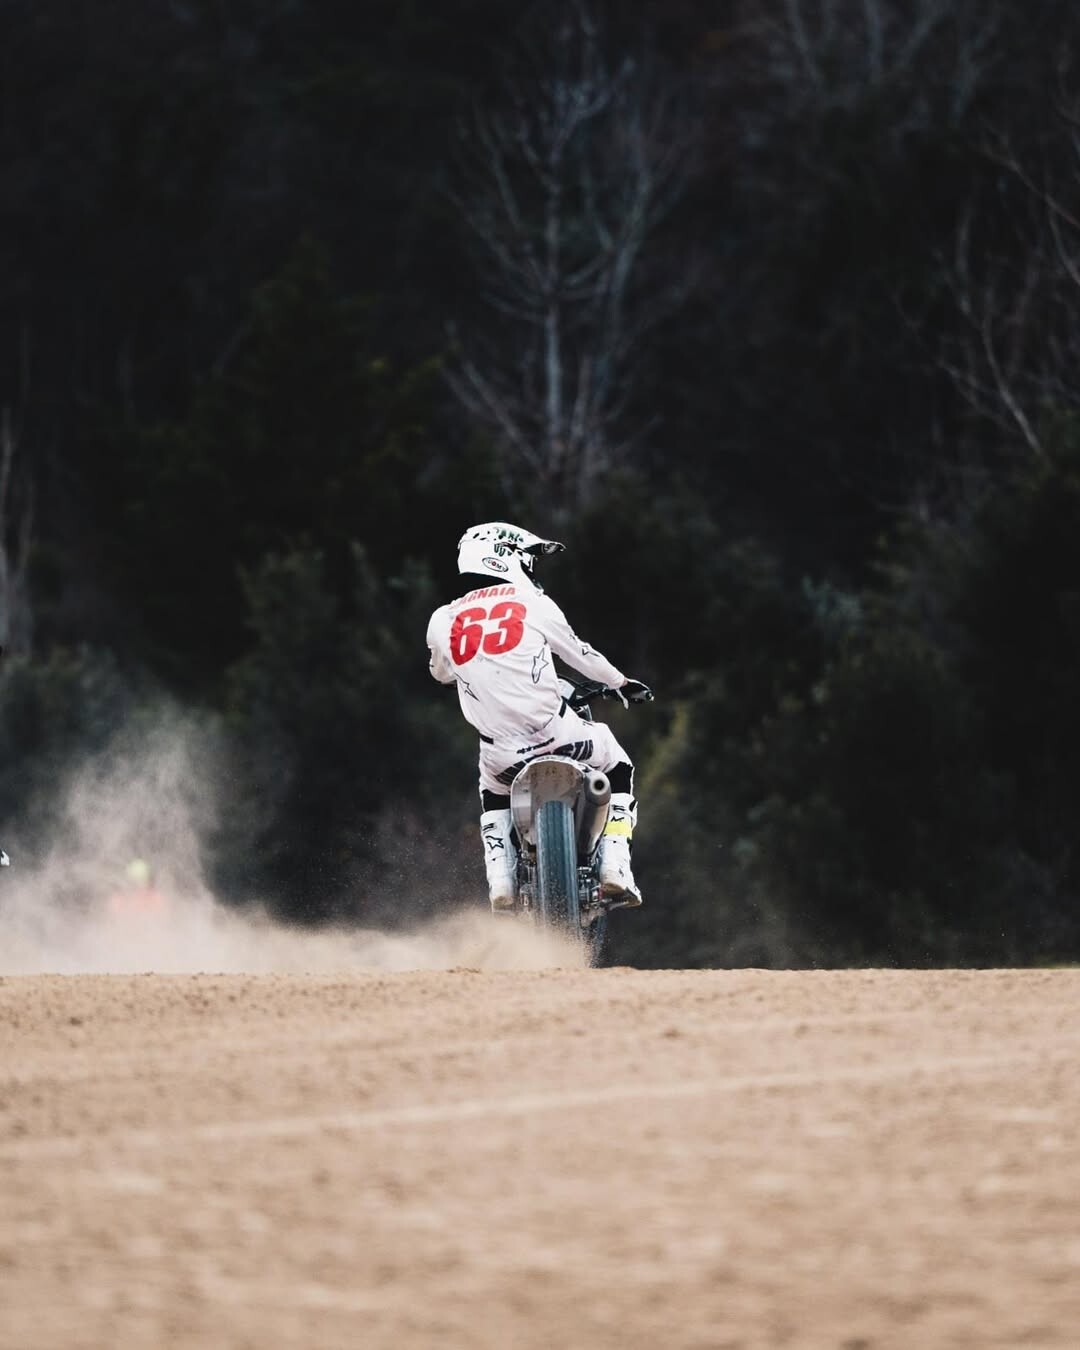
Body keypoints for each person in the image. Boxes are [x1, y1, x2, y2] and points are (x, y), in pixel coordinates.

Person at [426, 522, 653, 912]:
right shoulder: (532, 602)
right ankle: (615, 864)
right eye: (528, 560)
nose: (531, 569)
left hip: (502, 757)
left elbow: (441, 673)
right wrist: (621, 683)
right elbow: (580, 653)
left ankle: (501, 880)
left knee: (492, 794)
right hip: (559, 735)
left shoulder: (442, 619)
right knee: (617, 762)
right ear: (506, 557)